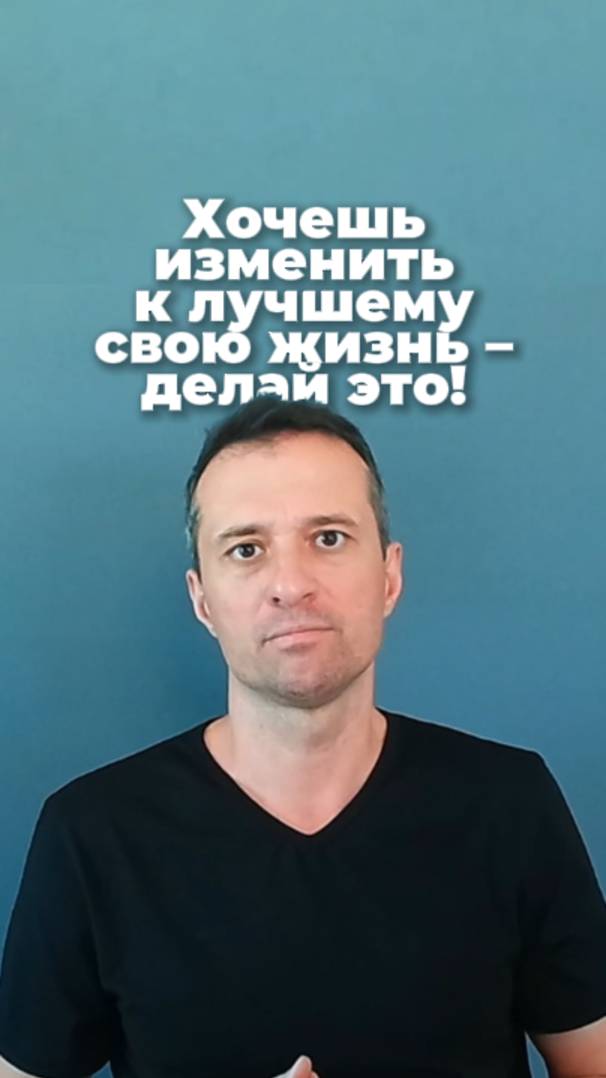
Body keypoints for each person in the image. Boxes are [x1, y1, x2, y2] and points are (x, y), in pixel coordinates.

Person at [0, 396, 605, 1078]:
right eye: (247, 549)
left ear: (390, 576)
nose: (290, 585)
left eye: (329, 538)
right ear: (203, 600)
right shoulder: (92, 834)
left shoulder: (509, 803)